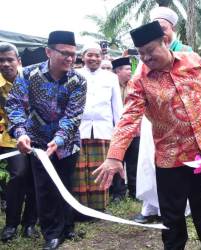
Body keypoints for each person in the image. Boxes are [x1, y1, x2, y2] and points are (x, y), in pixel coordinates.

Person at [93, 21, 201, 250]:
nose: (145, 57)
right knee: (172, 220)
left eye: (149, 51)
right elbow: (128, 118)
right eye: (140, 53)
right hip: (170, 159)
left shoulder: (193, 61)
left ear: (165, 41)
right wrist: (114, 156)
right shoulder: (140, 80)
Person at [5, 31, 87, 250]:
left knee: (65, 184)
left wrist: (59, 140)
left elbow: (73, 115)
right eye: (65, 53)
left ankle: (67, 225)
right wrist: (21, 132)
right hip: (38, 142)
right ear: (49, 51)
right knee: (44, 188)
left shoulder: (78, 80)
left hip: (67, 143)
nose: (70, 58)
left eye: (73, 54)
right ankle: (51, 233)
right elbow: (13, 104)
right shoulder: (28, 75)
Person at [133, 6, 193, 224]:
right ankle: (150, 207)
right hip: (154, 122)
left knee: (182, 165)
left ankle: (182, 208)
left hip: (181, 122)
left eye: (164, 28)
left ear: (173, 29)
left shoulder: (186, 51)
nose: (161, 32)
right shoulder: (145, 51)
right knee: (150, 163)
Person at [72, 43, 122, 215]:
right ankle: (81, 207)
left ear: (102, 57)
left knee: (100, 169)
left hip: (103, 129)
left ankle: (98, 207)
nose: (93, 58)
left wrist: (119, 131)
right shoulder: (75, 75)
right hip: (79, 129)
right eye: (90, 55)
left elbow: (117, 107)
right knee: (80, 169)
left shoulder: (111, 78)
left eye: (97, 55)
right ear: (82, 56)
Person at [0, 42, 37, 242]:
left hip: (37, 139)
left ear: (19, 61)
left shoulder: (33, 80)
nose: (6, 64)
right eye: (1, 61)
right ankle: (11, 224)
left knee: (35, 178)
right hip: (9, 138)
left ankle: (30, 223)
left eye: (10, 59)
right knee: (18, 175)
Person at [111, 57, 140, 202]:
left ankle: (134, 191)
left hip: (135, 132)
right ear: (118, 71)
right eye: (127, 69)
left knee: (134, 163)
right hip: (117, 132)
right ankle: (118, 193)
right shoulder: (111, 86)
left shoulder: (134, 85)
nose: (130, 72)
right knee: (118, 161)